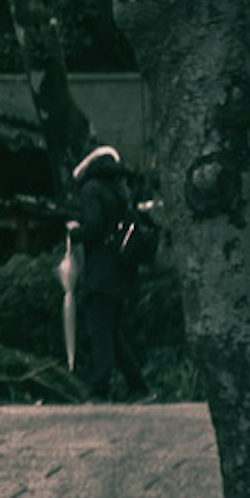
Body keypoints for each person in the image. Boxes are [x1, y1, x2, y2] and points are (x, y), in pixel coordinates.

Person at [65, 143, 150, 399]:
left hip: (102, 271)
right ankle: (138, 386)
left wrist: (73, 231)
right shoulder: (120, 189)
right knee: (112, 332)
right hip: (123, 269)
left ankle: (100, 388)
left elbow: (94, 226)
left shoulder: (92, 190)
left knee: (99, 330)